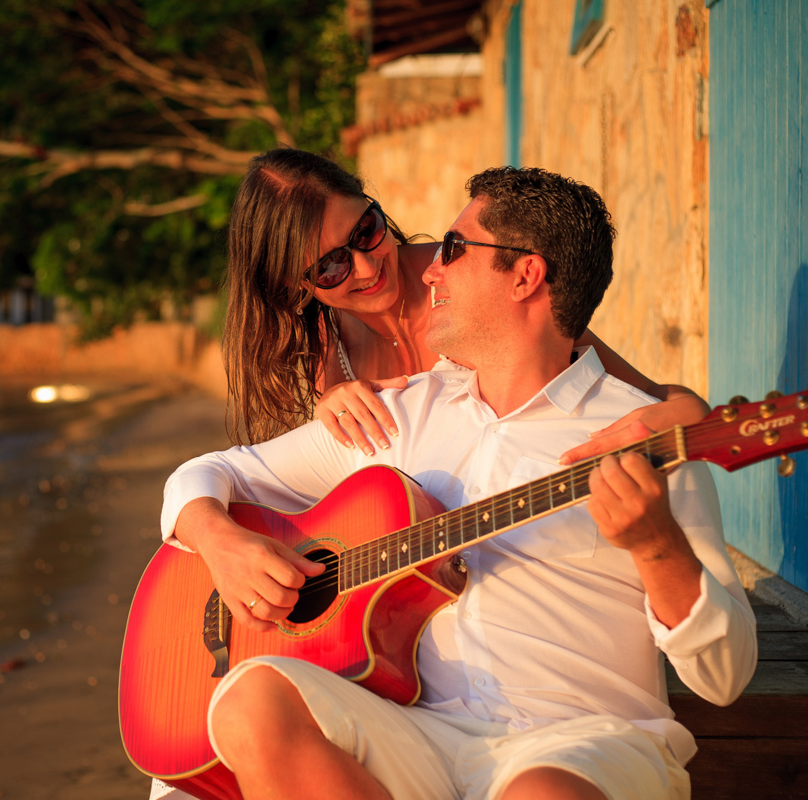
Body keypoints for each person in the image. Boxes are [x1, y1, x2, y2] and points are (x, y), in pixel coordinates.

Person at [157, 167, 757, 800]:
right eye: (330, 267)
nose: (427, 269)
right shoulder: (393, 414)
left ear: (526, 275)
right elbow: (209, 473)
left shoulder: (641, 439)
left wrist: (657, 543)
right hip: (417, 724)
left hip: (579, 738)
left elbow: (725, 676)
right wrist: (222, 541)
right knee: (245, 700)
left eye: (448, 249)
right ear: (301, 287)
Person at [221, 148, 709, 460]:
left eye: (365, 232)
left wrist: (674, 418)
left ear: (372, 206)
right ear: (293, 285)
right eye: (330, 266)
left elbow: (665, 400)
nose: (367, 268)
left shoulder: (472, 282)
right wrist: (330, 407)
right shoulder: (328, 348)